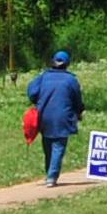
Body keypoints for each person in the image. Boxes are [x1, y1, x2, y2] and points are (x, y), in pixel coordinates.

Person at [24, 49, 83, 185]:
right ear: (67, 63)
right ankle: (52, 177)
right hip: (63, 117)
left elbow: (32, 91)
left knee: (48, 144)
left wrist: (37, 101)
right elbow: (77, 99)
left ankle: (48, 173)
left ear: (53, 62)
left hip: (43, 115)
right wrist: (79, 112)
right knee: (58, 145)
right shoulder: (71, 79)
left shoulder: (44, 76)